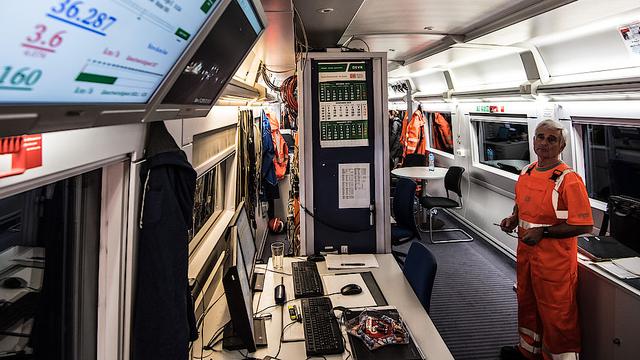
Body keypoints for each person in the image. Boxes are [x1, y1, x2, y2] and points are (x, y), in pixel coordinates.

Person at [499, 119, 593, 360]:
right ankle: (528, 352)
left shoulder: (568, 179)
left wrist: (545, 232)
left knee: (557, 315)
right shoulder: (527, 172)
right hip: (527, 257)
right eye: (540, 137)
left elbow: (584, 224)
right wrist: (512, 218)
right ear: (533, 141)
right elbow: (522, 205)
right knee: (527, 305)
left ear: (561, 145)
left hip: (555, 263)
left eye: (552, 139)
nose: (544, 143)